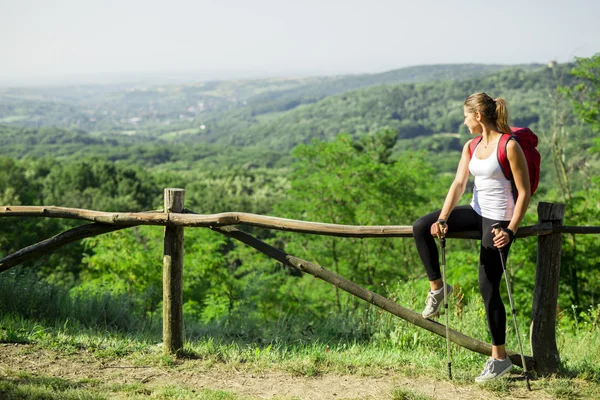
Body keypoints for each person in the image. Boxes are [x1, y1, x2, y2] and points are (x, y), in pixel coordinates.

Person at [412, 92, 531, 383]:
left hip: (499, 219)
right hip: (476, 211)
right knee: (420, 226)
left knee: (487, 286)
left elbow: (524, 192)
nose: (464, 122)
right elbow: (459, 183)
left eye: (466, 116)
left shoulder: (509, 146)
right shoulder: (472, 145)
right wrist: (442, 218)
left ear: (478, 116)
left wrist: (510, 230)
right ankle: (438, 289)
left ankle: (499, 359)